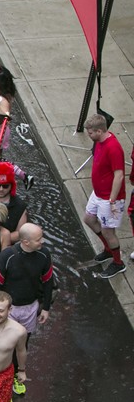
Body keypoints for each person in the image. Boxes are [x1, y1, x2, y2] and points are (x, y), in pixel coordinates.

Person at [0, 222, 53, 398]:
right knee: (4, 344)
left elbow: (48, 281)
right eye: (38, 239)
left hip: (30, 307)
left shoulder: (44, 254)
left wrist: (46, 308)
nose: (42, 241)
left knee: (22, 344)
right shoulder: (7, 256)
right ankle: (3, 381)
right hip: (9, 309)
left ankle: (16, 376)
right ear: (26, 242)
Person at [81, 113, 127, 278]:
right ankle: (108, 249)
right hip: (98, 193)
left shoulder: (113, 148)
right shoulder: (99, 141)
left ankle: (118, 263)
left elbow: (119, 175)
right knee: (89, 219)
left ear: (99, 131)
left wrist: (112, 200)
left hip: (109, 198)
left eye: (90, 133)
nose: (89, 135)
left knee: (109, 232)